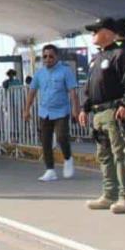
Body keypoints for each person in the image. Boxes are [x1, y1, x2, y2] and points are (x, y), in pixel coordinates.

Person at [78, 18, 125, 214]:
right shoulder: (96, 58)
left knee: (120, 154)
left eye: (95, 31)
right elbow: (90, 87)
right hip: (98, 114)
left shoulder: (120, 54)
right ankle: (109, 195)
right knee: (104, 156)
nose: (92, 35)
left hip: (113, 112)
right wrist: (84, 108)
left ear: (107, 32)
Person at [23, 45, 79, 182]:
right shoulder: (39, 73)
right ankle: (50, 170)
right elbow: (32, 92)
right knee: (45, 141)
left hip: (61, 111)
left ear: (57, 57)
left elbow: (72, 92)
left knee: (61, 137)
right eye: (45, 56)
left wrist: (75, 109)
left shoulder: (65, 71)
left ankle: (68, 158)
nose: (47, 59)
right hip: (44, 112)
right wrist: (26, 110)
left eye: (51, 56)